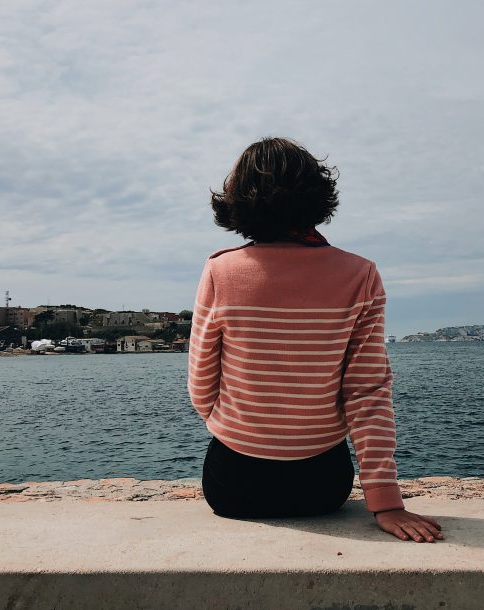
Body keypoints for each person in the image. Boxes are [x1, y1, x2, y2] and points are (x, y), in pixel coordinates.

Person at [187, 137, 443, 543]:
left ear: (237, 199)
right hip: (321, 486)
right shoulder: (360, 274)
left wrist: (240, 429)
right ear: (317, 193)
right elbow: (367, 391)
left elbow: (201, 385)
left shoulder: (220, 271)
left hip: (232, 484)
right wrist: (386, 501)